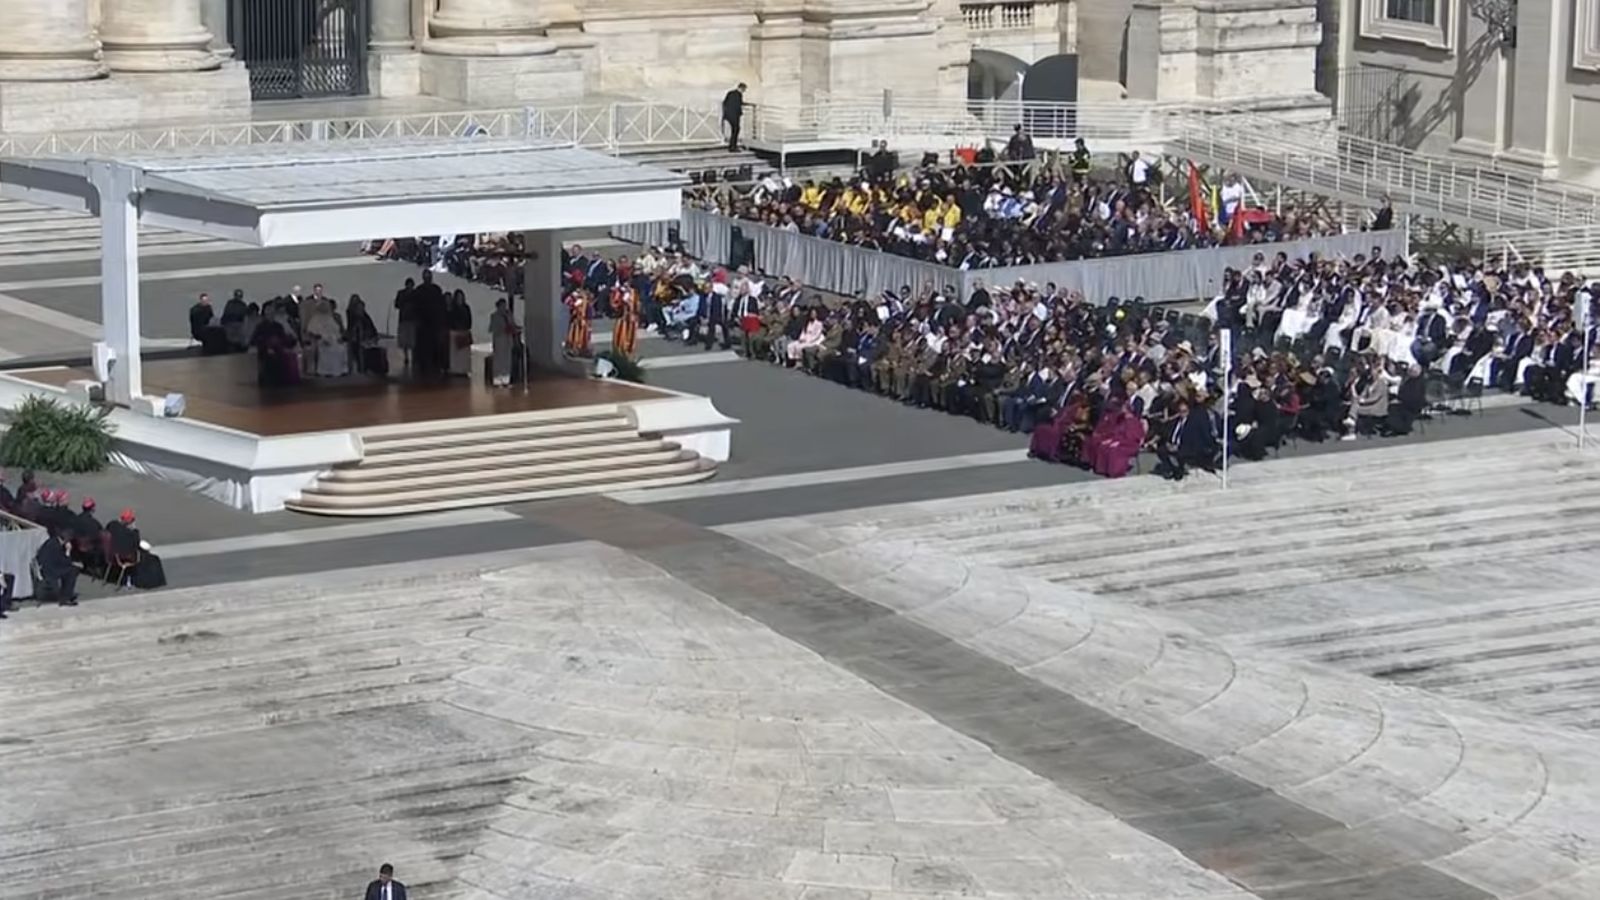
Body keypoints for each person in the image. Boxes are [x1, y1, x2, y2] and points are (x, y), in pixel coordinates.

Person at [35, 530, 78, 606]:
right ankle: (65, 597)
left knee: (70, 569)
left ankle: (66, 593)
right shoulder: (56, 546)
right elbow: (64, 562)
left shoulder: (52, 542)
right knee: (72, 571)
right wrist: (68, 551)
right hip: (50, 570)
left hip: (45, 567)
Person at [489, 298, 517, 387]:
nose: (504, 308)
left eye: (505, 305)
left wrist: (514, 327)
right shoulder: (494, 316)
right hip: (499, 338)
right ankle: (497, 379)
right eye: (502, 306)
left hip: (508, 339)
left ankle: (506, 379)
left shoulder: (509, 315)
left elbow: (513, 324)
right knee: (499, 360)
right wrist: (502, 329)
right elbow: (491, 329)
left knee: (507, 359)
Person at [446, 289, 474, 376]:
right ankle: (455, 370)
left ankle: (464, 370)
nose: (460, 298)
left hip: (464, 331)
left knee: (464, 354)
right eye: (458, 297)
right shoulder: (453, 308)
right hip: (455, 332)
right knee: (455, 353)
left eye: (461, 297)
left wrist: (468, 327)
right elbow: (450, 319)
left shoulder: (466, 307)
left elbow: (469, 319)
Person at [611, 282, 641, 358]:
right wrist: (621, 300)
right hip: (622, 317)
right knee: (620, 333)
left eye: (628, 284)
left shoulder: (633, 292)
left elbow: (636, 304)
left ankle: (628, 349)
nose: (626, 285)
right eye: (625, 284)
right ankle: (619, 349)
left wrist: (635, 312)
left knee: (630, 334)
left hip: (630, 317)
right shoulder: (619, 292)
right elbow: (614, 304)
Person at [393, 277, 417, 369]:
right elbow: (397, 304)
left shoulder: (415, 294)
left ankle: (412, 356)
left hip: (412, 319)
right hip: (404, 319)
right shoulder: (401, 293)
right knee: (405, 341)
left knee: (412, 339)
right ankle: (406, 356)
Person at [564, 288, 594, 357]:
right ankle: (573, 348)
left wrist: (588, 325)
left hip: (582, 323)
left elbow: (588, 316)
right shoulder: (574, 301)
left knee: (582, 337)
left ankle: (581, 350)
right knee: (574, 336)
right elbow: (568, 304)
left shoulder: (586, 303)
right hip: (575, 323)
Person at [721, 82, 746, 153]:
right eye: (744, 89)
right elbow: (738, 104)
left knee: (734, 129)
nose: (744, 91)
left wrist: (725, 113)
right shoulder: (739, 95)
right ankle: (732, 146)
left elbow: (724, 102)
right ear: (741, 88)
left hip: (728, 114)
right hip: (734, 115)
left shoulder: (730, 93)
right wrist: (740, 112)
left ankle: (732, 146)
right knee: (736, 129)